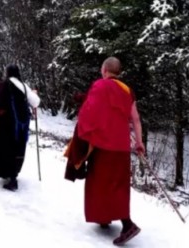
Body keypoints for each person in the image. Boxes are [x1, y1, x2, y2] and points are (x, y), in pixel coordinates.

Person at [64, 57, 145, 246]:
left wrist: (82, 136)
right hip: (122, 147)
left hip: (104, 146)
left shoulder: (100, 85)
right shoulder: (127, 90)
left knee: (99, 184)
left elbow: (90, 112)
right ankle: (105, 218)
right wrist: (139, 142)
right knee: (118, 185)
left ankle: (127, 224)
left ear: (105, 69)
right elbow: (136, 118)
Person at [0, 64, 40, 191]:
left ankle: (11, 179)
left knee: (5, 150)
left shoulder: (0, 86)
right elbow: (36, 102)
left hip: (4, 124)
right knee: (17, 150)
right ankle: (12, 175)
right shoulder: (23, 86)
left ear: (7, 73)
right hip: (21, 126)